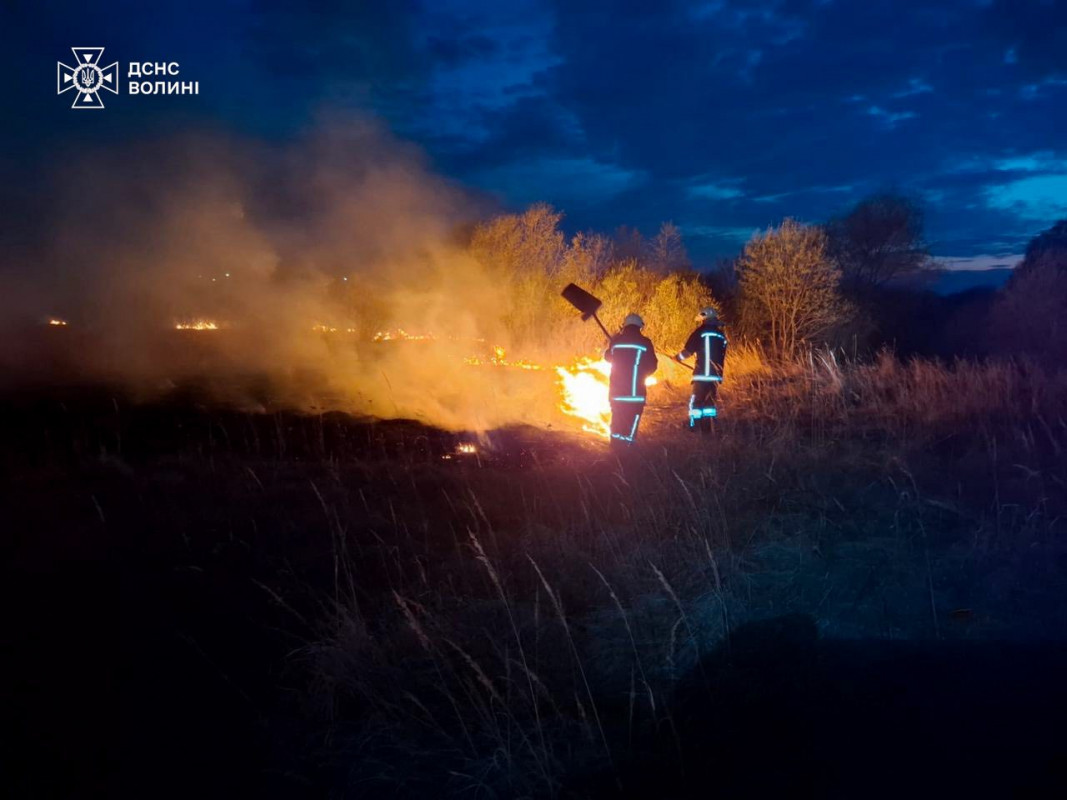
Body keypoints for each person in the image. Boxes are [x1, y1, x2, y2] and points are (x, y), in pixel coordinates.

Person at [604, 313, 658, 446]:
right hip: (635, 394)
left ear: (625, 326)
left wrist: (613, 344)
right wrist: (641, 375)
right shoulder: (645, 342)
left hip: (616, 394)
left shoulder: (616, 342)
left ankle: (615, 450)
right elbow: (653, 365)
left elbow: (607, 357)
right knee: (631, 422)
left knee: (617, 422)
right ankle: (628, 450)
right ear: (640, 327)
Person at [675, 307, 727, 433]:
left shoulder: (699, 332)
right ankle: (709, 429)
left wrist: (677, 358)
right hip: (715, 376)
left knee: (696, 402)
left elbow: (688, 351)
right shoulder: (721, 335)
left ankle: (694, 427)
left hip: (701, 375)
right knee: (710, 404)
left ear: (704, 318)